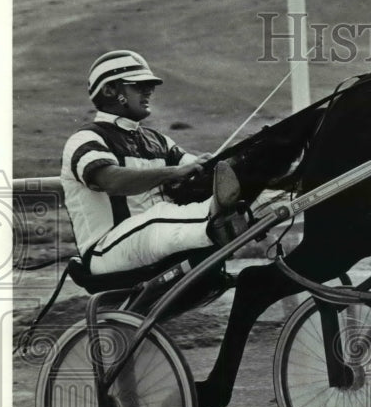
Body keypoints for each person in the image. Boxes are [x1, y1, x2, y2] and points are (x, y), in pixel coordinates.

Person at [61, 49, 244, 276]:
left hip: (152, 241)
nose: (149, 91)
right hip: (105, 251)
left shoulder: (157, 140)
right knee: (158, 217)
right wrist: (174, 172)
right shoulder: (86, 139)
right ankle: (219, 223)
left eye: (150, 85)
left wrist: (212, 166)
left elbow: (195, 168)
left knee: (165, 215)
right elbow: (112, 181)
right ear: (109, 90)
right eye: (138, 85)